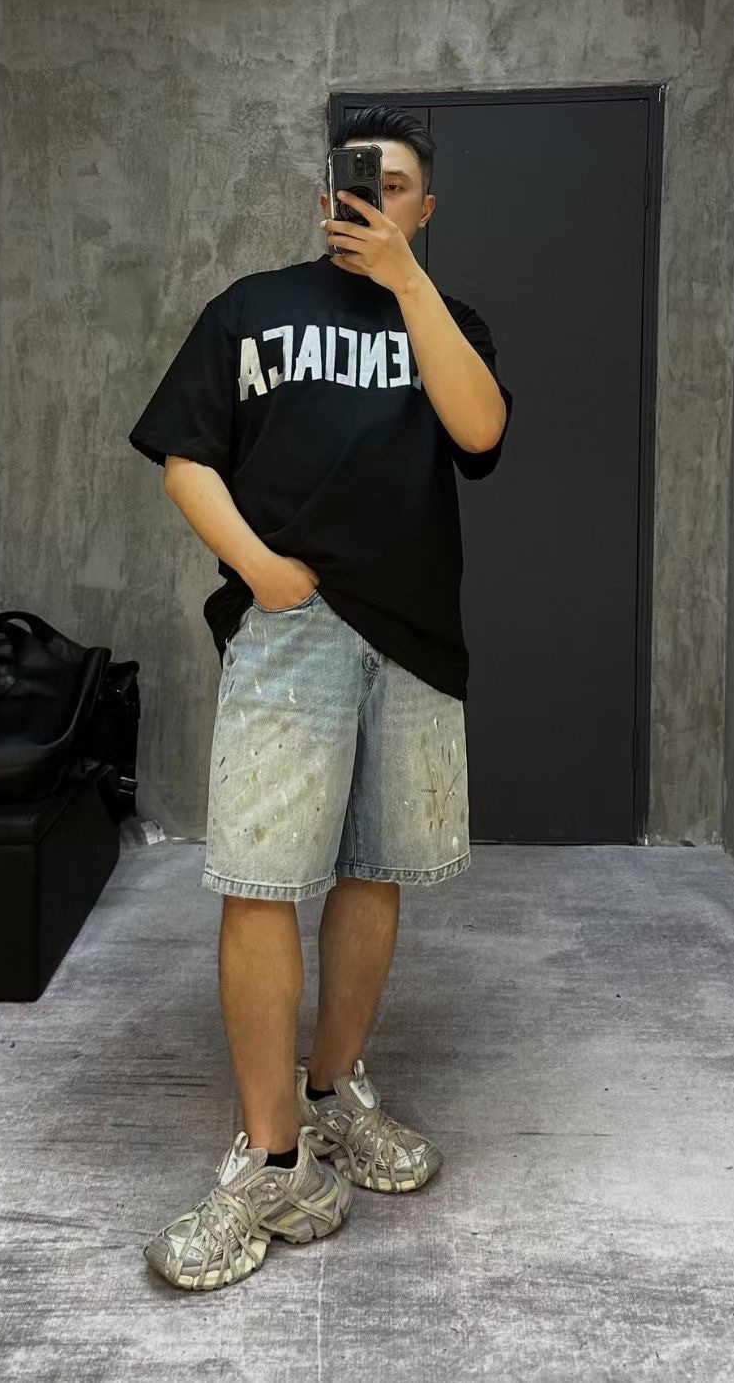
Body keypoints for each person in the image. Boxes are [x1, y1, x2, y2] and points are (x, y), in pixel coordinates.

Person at [129, 106, 514, 1291]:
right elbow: (185, 454)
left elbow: (480, 428)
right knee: (258, 879)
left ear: (425, 208)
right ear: (325, 194)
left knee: (374, 868)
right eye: (360, 182)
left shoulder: (449, 319)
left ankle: (333, 1091)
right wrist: (260, 569)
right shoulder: (252, 308)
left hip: (414, 635)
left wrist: (408, 285)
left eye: (397, 186)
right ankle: (273, 1160)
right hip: (291, 627)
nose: (376, 199)